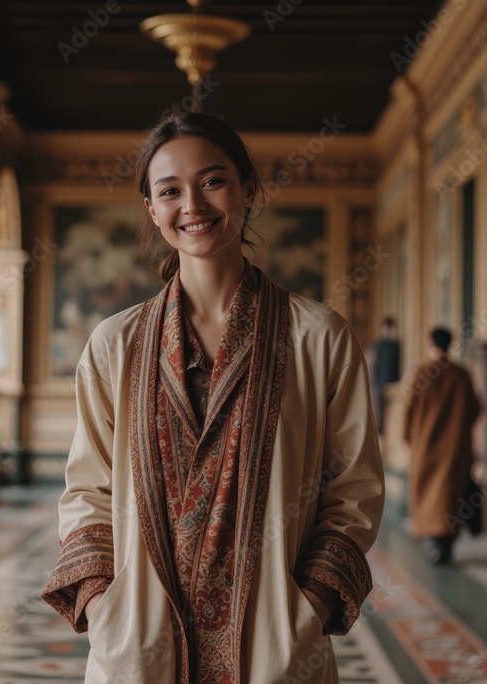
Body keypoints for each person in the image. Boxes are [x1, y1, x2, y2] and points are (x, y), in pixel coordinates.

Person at [41, 112, 385, 683]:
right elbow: (87, 491)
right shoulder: (113, 344)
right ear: (152, 209)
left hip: (273, 649)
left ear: (248, 189)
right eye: (169, 190)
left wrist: (310, 608)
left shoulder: (318, 336)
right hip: (141, 649)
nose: (192, 205)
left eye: (212, 181)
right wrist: (105, 609)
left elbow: (354, 490)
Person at [403, 327, 481, 565]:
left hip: (425, 445)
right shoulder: (462, 374)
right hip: (455, 446)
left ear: (430, 343)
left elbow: (409, 410)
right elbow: (476, 409)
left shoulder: (421, 373)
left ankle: (435, 543)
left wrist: (408, 437)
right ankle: (445, 543)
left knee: (429, 494)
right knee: (451, 494)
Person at [370, 316, 401, 435]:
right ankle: (380, 432)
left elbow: (397, 363)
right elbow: (374, 365)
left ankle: (389, 432)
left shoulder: (396, 345)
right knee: (379, 409)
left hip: (393, 381)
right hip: (380, 381)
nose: (387, 330)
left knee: (391, 410)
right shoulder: (377, 345)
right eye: (386, 328)